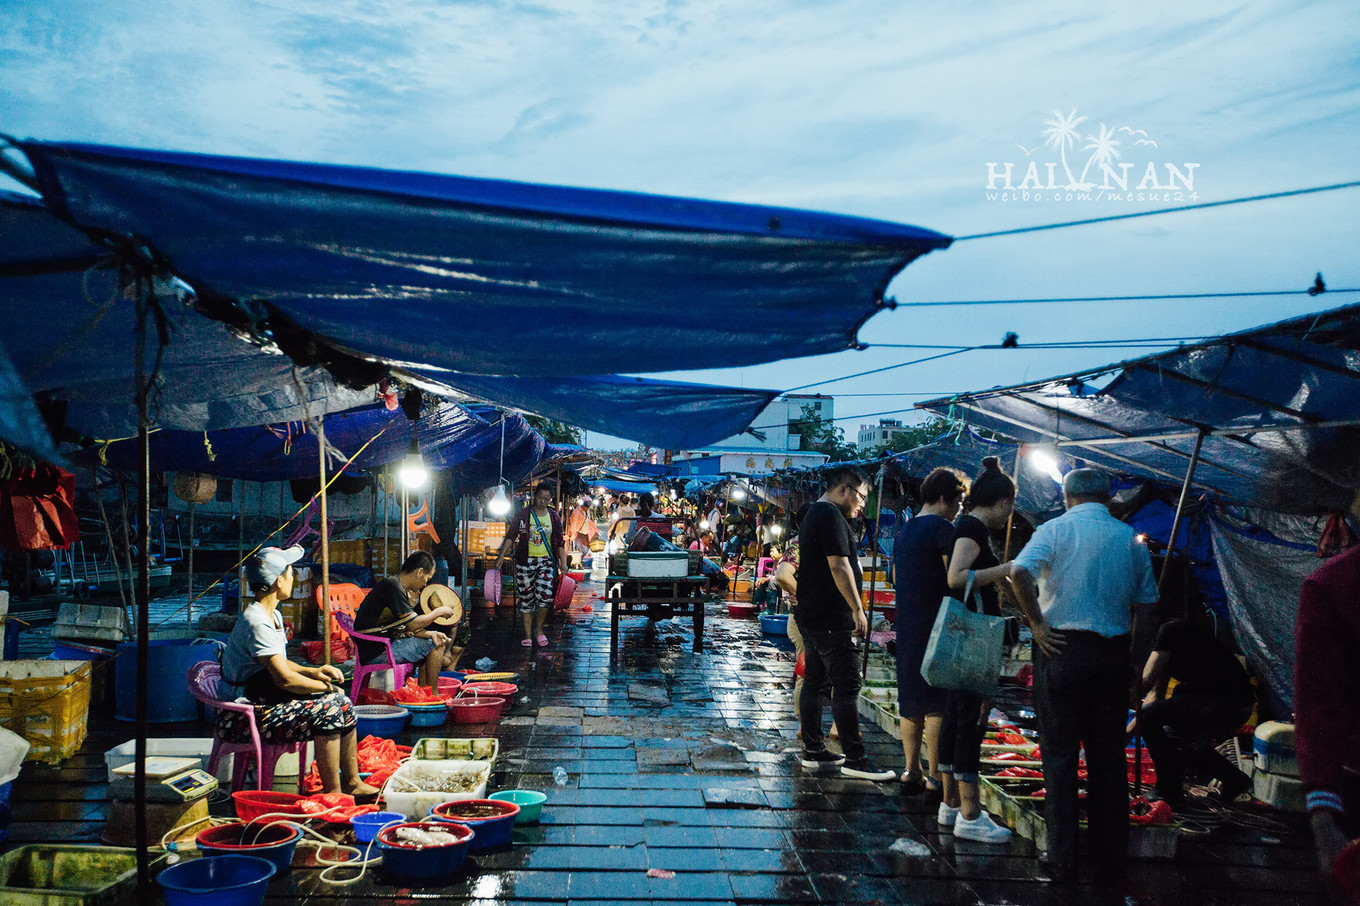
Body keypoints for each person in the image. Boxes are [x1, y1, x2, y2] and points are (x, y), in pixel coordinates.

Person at [1011, 468, 1159, 885]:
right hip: (1112, 654)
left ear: (1067, 496)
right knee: (1107, 757)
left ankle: (1062, 856)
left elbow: (1019, 572)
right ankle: (1110, 857)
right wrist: (1135, 661)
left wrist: (1037, 625)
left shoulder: (1054, 530)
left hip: (1061, 648)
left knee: (1059, 756)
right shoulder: (1128, 539)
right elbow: (1149, 606)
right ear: (1108, 498)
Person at [218, 546, 378, 798]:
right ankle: (334, 793)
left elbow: (278, 662)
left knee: (344, 704)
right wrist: (327, 687)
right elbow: (284, 679)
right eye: (290, 573)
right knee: (329, 707)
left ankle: (352, 782)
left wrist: (315, 672)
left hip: (262, 698)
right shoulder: (257, 621)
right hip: (244, 716)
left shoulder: (273, 615)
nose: (293, 577)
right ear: (278, 581)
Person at [796, 464, 896, 781]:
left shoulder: (814, 512)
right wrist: (857, 609)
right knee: (847, 683)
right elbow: (839, 566)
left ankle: (814, 750)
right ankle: (855, 757)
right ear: (844, 490)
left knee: (815, 681)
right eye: (862, 497)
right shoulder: (829, 515)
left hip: (812, 613)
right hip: (830, 616)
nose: (862, 505)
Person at [938, 458, 1015, 844]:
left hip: (964, 638)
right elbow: (956, 577)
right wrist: (1006, 569)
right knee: (968, 722)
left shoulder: (967, 526)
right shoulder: (972, 528)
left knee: (955, 717)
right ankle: (970, 814)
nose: (1009, 515)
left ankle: (951, 805)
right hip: (972, 639)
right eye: (1010, 508)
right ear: (1003, 502)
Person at [892, 467, 967, 794]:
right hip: (938, 623)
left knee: (911, 697)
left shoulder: (906, 530)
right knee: (937, 701)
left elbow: (896, 577)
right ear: (942, 497)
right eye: (958, 502)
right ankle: (935, 774)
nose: (959, 509)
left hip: (908, 622)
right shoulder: (943, 529)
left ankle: (911, 770)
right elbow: (955, 578)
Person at [1129, 618, 1254, 808]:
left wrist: (1113, 712)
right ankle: (1234, 779)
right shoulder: (1165, 642)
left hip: (1225, 701)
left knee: (1158, 723)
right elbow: (1154, 695)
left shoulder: (1169, 630)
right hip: (1231, 703)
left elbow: (1146, 682)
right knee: (1174, 737)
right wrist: (1127, 733)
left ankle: (1168, 791)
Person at [1295, 541, 1360, 888]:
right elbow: (1319, 701)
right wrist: (1323, 807)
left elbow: (1317, 701)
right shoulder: (1334, 586)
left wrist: (1322, 811)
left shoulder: (1331, 583)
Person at [353, 551, 461, 688]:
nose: (425, 583)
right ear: (419, 572)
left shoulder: (394, 585)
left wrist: (431, 634)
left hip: (375, 647)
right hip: (376, 651)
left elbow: (406, 626)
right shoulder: (393, 587)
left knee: (431, 642)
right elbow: (413, 625)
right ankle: (433, 694)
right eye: (427, 578)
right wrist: (438, 612)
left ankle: (423, 693)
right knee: (436, 645)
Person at [495, 484, 567, 648]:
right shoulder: (523, 514)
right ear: (535, 497)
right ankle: (527, 635)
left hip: (546, 562)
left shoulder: (554, 517)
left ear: (551, 499)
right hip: (525, 562)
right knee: (526, 599)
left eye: (547, 499)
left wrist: (563, 562)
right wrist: (501, 555)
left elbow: (560, 542)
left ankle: (539, 630)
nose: (543, 501)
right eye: (541, 498)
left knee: (545, 597)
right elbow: (511, 535)